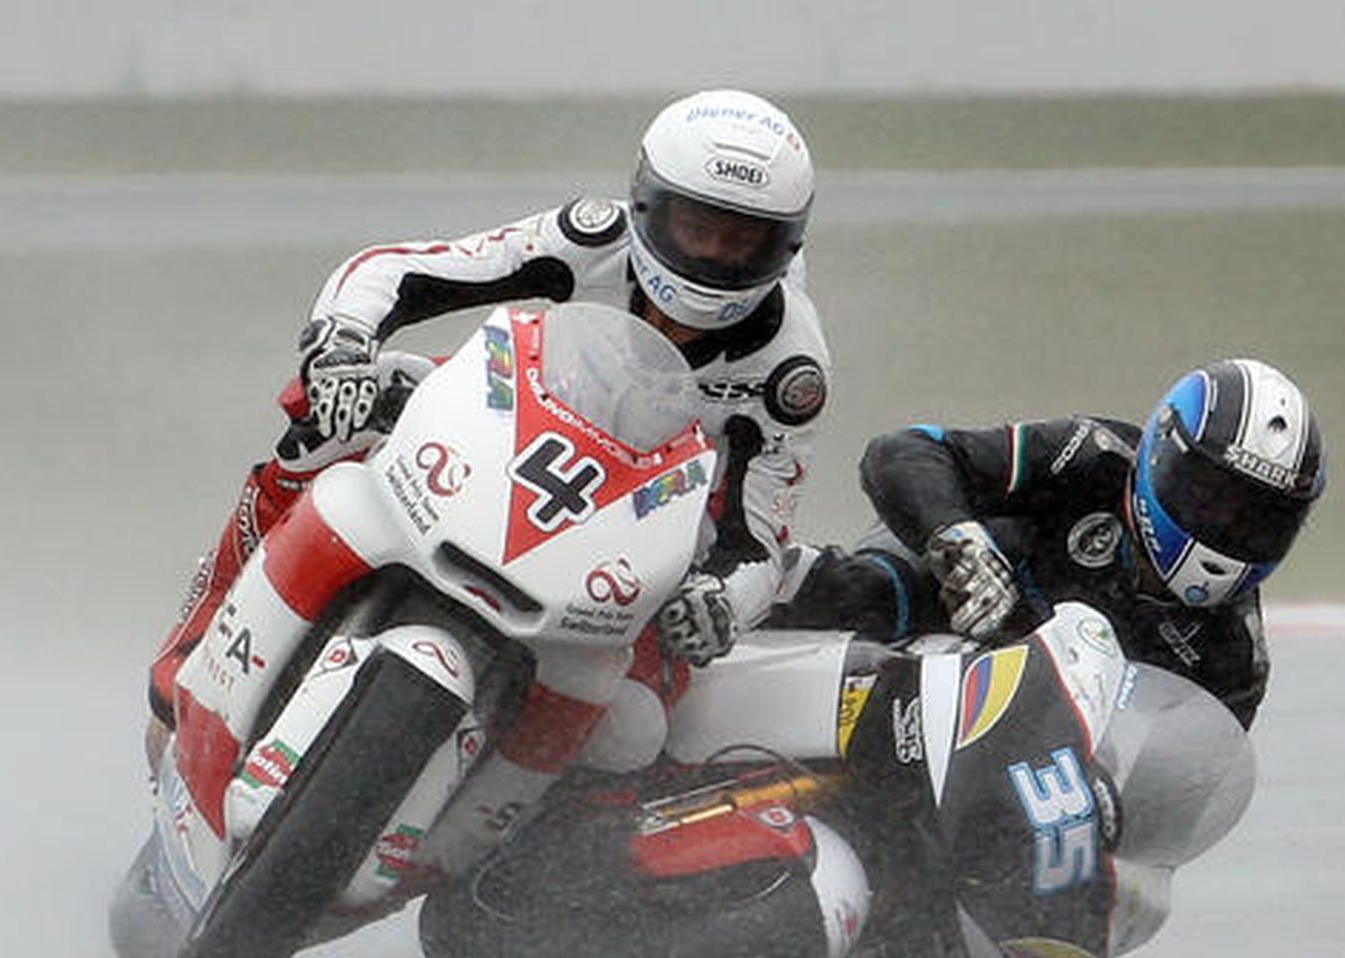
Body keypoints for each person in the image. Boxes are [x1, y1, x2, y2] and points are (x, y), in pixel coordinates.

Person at [145, 89, 831, 780]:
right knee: (326, 420)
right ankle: (196, 645)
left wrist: (721, 601)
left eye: (741, 238)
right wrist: (343, 342)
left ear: (784, 244)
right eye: (695, 227)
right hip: (512, 433)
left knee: (633, 729)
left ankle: (518, 866)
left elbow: (758, 540)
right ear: (649, 203)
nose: (712, 254)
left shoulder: (790, 370)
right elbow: (401, 270)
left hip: (650, 526)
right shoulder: (591, 239)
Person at [774, 357, 1325, 728]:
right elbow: (904, 452)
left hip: (1037, 741)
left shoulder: (1231, 659)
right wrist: (958, 545)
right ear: (1162, 455)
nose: (1225, 525)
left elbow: (1181, 801)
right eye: (1212, 496)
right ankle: (728, 598)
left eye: (1257, 517)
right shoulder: (1092, 456)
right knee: (870, 587)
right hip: (953, 601)